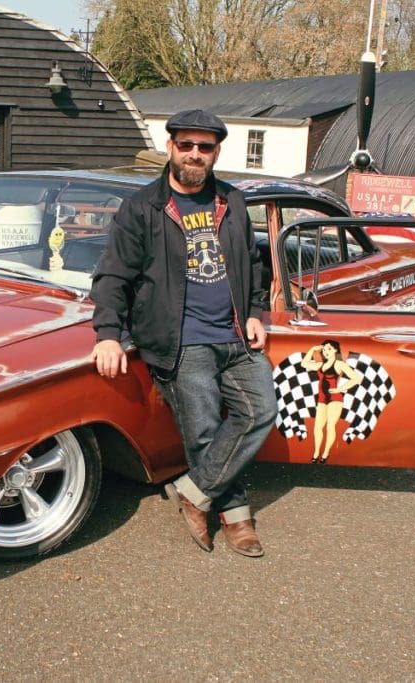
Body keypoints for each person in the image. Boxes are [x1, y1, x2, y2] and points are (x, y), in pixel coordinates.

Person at [89, 109, 277, 557]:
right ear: (171, 147)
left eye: (205, 147)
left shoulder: (231, 201)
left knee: (261, 411)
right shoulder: (141, 208)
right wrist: (108, 333)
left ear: (215, 153)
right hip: (179, 340)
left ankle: (192, 493)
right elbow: (113, 275)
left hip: (233, 335)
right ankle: (237, 518)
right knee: (205, 430)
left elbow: (253, 262)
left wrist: (254, 310)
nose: (195, 154)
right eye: (187, 145)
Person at [300, 340, 363, 464]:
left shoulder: (339, 364)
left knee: (330, 426)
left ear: (335, 350)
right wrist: (313, 349)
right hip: (322, 399)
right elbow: (304, 363)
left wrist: (340, 388)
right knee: (317, 427)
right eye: (324, 350)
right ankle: (316, 451)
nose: (325, 352)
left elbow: (356, 378)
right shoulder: (320, 365)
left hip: (335, 399)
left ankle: (326, 452)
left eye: (328, 349)